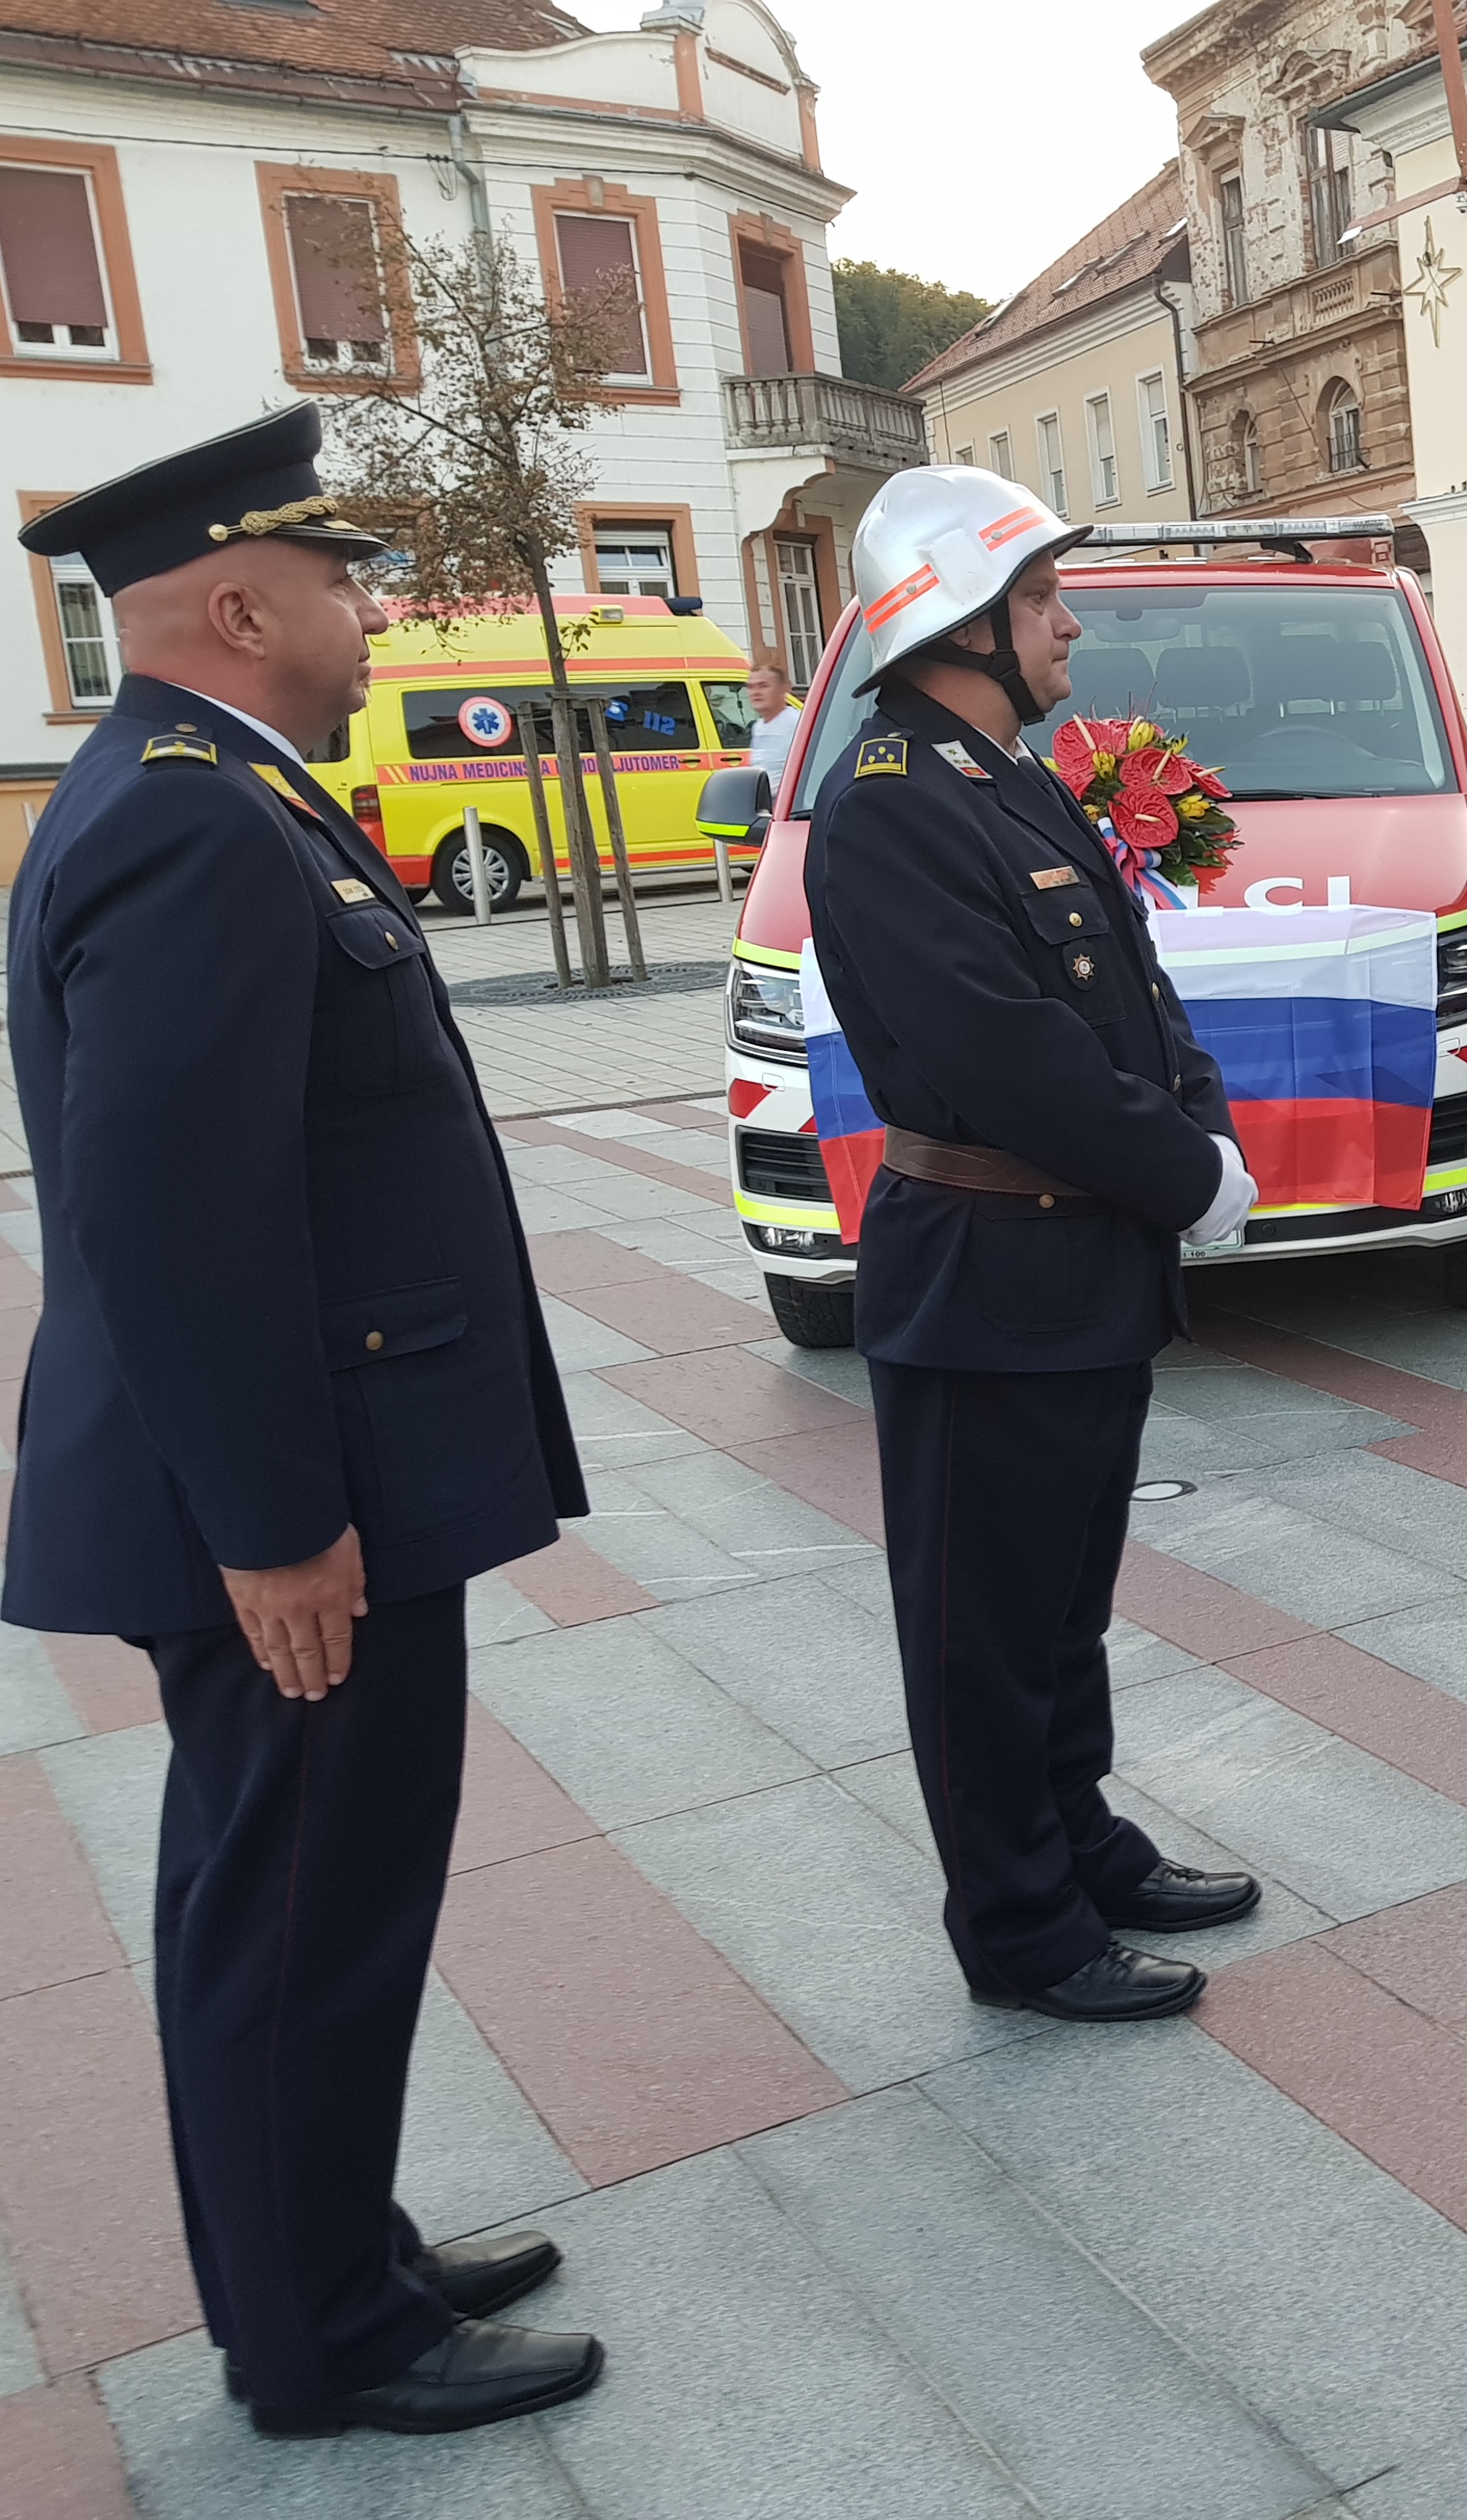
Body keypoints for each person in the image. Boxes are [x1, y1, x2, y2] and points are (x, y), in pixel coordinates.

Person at [8, 408, 601, 2435]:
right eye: (344, 586)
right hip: (292, 1498)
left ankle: (332, 2250)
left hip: (321, 1463)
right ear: (244, 611)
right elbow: (173, 1215)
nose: (375, 618)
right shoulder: (187, 819)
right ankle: (321, 2338)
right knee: (293, 1915)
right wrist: (273, 1525)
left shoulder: (211, 794)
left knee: (310, 1895)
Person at [806, 466, 1262, 2021]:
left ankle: (1078, 1840)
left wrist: (1201, 1131)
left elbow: (1134, 990)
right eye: (1044, 598)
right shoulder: (888, 802)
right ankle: (1019, 1925)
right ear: (962, 623)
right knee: (984, 1633)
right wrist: (1182, 1174)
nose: (1071, 624)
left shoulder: (1004, 774)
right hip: (986, 1272)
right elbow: (1010, 1057)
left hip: (1075, 1265)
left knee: (1064, 1605)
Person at [744, 658, 803, 792]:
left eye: (763, 686)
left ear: (784, 690)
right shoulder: (757, 727)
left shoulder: (797, 723)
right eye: (751, 687)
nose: (756, 693)